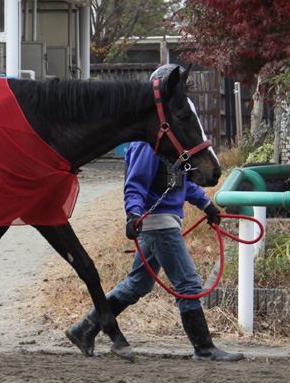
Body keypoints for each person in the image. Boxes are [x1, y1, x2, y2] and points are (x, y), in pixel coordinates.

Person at [66, 136, 243, 361]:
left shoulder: (167, 145)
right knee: (188, 284)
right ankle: (204, 349)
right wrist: (133, 214)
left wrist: (206, 204)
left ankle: (85, 329)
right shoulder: (145, 146)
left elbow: (180, 180)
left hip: (164, 222)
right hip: (160, 224)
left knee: (137, 284)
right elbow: (135, 184)